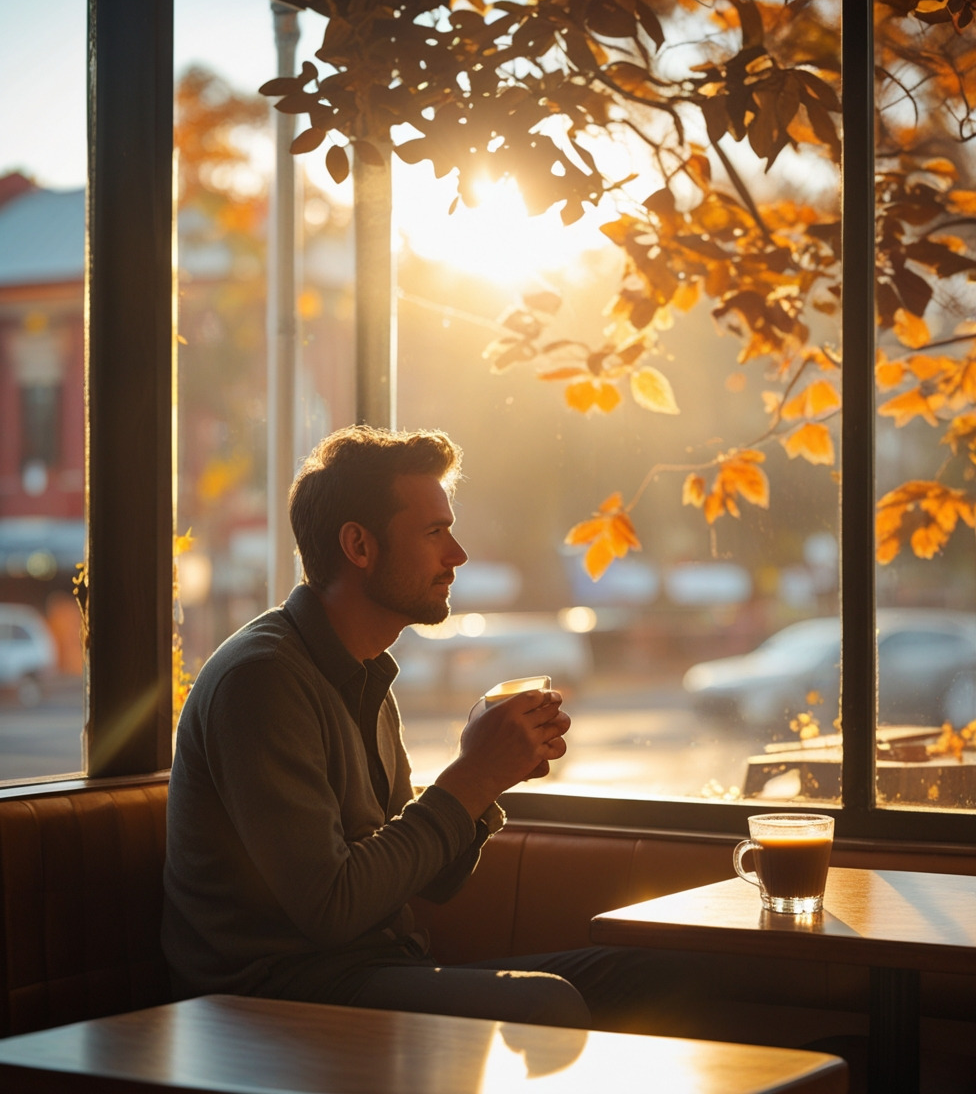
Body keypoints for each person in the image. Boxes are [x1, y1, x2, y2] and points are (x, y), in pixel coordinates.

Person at [163, 425, 730, 1034]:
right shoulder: (263, 681)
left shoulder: (365, 675)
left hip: (373, 971)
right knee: (549, 1006)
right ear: (358, 545)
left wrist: (490, 777)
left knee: (673, 971)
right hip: (274, 1000)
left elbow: (429, 881)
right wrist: (474, 773)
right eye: (435, 532)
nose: (457, 554)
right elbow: (332, 908)